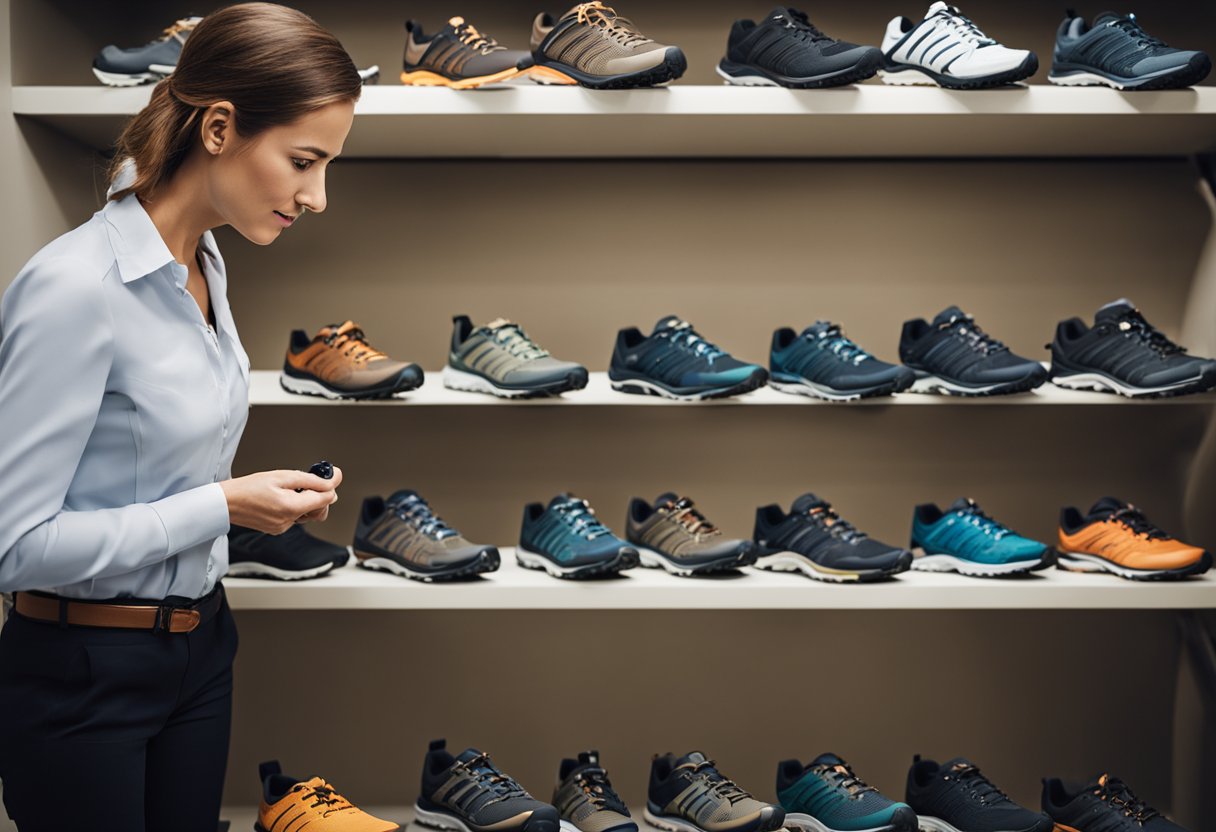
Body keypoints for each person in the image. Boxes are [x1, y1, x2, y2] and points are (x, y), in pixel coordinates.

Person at [0, 5, 360, 830]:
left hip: (201, 648)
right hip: (82, 669)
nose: (318, 196)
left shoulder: (205, 261)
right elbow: (14, 547)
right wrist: (224, 507)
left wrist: (247, 506)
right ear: (222, 127)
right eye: (304, 162)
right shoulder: (74, 288)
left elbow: (148, 478)